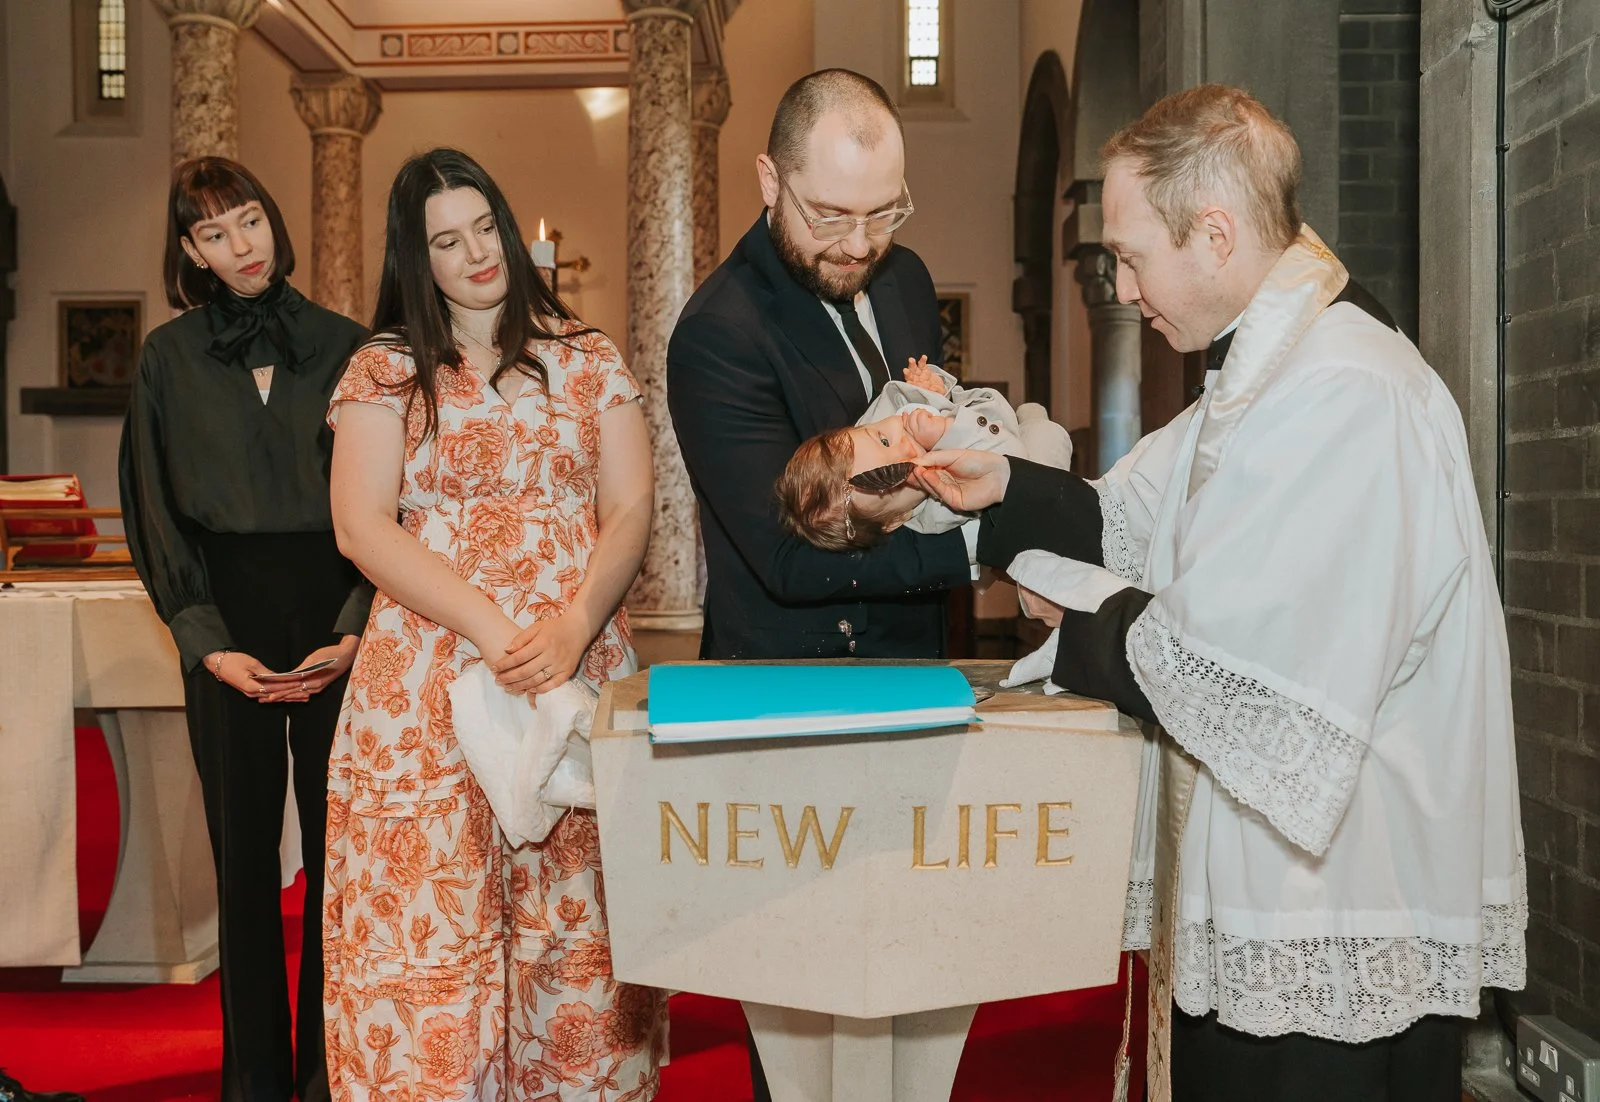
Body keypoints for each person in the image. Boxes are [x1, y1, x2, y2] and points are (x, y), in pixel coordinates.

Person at [912, 85, 1525, 1102]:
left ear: (1213, 233)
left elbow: (1222, 662)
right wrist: (1002, 488)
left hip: (1330, 910)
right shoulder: (1264, 374)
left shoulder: (1344, 391)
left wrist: (1073, 629)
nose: (1116, 282)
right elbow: (1129, 517)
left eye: (1130, 254)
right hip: (1269, 895)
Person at [321, 147, 662, 1100]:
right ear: (414, 258)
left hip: (575, 663)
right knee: (436, 929)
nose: (475, 253)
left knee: (574, 927)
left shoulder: (588, 360)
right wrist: (495, 627)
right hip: (427, 684)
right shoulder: (385, 370)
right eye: (445, 239)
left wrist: (573, 623)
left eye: (484, 227)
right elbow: (360, 523)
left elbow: (631, 507)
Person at [119, 157, 371, 1102]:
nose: (242, 247)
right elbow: (152, 508)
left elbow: (388, 505)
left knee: (338, 867)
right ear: (189, 251)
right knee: (245, 870)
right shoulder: (166, 360)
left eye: (251, 222)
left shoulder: (354, 347)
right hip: (223, 623)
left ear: (275, 221)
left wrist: (354, 628)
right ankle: (256, 1084)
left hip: (338, 620)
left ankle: (325, 1077)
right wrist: (206, 639)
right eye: (215, 234)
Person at [668, 68, 975, 665]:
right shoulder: (719, 333)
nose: (859, 245)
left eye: (883, 213)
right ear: (770, 181)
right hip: (792, 670)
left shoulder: (906, 278)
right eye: (830, 216)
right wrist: (979, 546)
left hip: (920, 655)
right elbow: (789, 558)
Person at [776, 355, 1073, 551]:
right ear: (896, 520)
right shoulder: (940, 509)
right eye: (900, 471)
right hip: (1008, 448)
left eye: (882, 438)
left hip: (983, 410)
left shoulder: (873, 428)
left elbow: (907, 397)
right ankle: (1034, 420)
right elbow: (1009, 463)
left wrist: (929, 388)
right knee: (1046, 436)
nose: (903, 442)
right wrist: (948, 433)